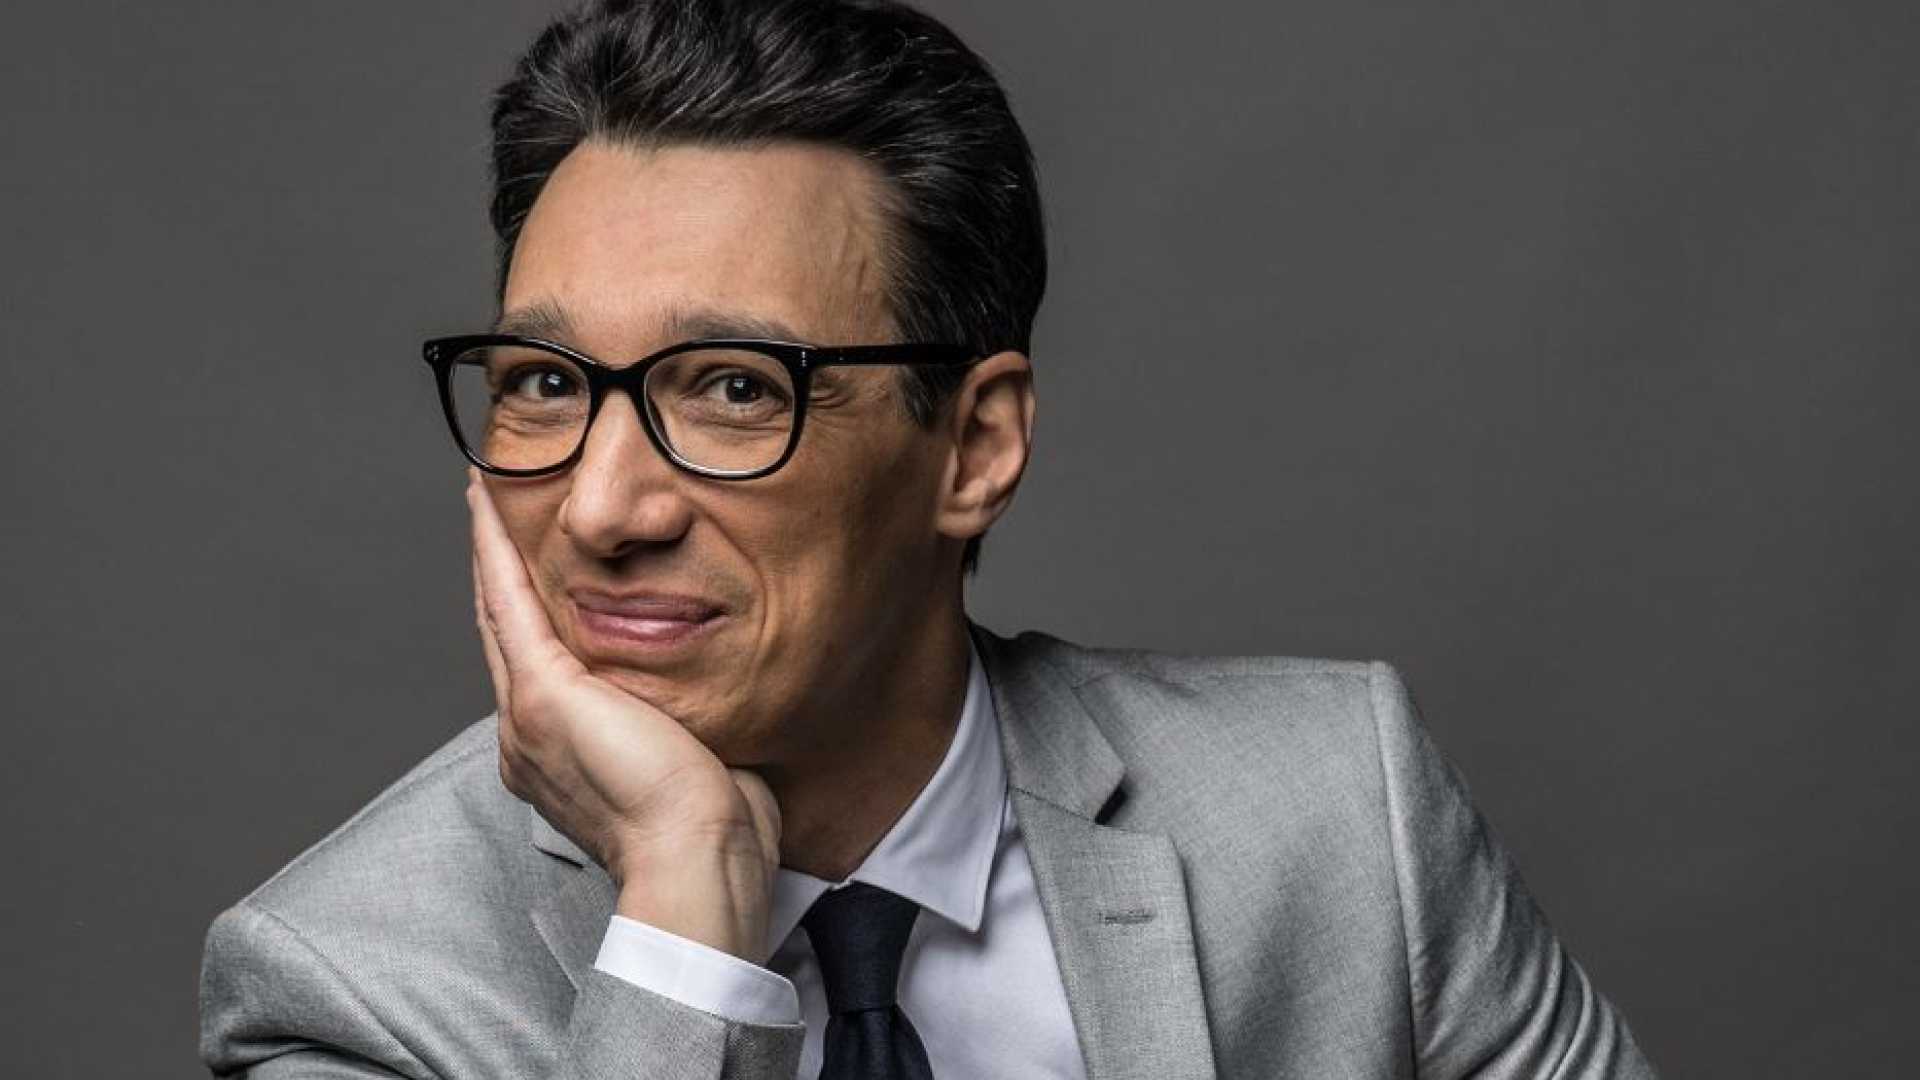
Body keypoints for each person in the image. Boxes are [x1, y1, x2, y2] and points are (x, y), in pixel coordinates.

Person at [198, 0, 1659, 1076]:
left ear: (974, 446)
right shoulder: (351, 984)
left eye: (732, 388)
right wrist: (684, 914)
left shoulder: (1337, 818)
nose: (599, 509)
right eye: (543, 385)